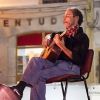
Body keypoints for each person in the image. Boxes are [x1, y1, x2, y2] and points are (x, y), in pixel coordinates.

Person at [10, 7, 89, 100]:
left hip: (71, 67)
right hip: (57, 64)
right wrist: (47, 38)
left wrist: (61, 46)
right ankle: (20, 87)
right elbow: (51, 35)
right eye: (64, 16)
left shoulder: (82, 37)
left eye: (67, 16)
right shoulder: (63, 34)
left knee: (38, 75)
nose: (64, 18)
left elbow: (77, 58)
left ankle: (20, 89)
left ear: (76, 18)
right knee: (35, 60)